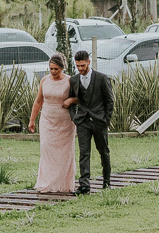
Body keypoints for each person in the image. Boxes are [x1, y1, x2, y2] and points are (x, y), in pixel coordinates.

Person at [64, 50, 113, 194]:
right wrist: (74, 117)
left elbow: (109, 100)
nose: (80, 68)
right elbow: (71, 100)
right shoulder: (73, 80)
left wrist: (106, 120)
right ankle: (84, 186)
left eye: (83, 65)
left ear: (89, 62)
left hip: (99, 122)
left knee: (103, 152)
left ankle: (106, 182)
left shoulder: (102, 78)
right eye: (78, 66)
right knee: (84, 153)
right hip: (83, 122)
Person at [27, 53, 76, 192]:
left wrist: (71, 100)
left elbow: (81, 98)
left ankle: (63, 184)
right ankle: (46, 182)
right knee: (46, 148)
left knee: (64, 153)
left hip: (65, 122)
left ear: (63, 68)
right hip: (47, 120)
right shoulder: (44, 80)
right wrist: (32, 120)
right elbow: (38, 101)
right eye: (51, 69)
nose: (53, 72)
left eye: (57, 69)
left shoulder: (70, 81)